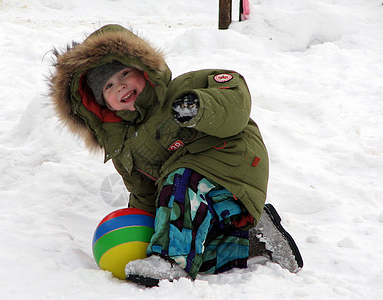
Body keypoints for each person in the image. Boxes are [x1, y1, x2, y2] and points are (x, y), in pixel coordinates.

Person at [49, 24, 303, 287]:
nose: (121, 86)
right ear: (101, 105)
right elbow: (145, 196)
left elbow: (235, 98)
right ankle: (255, 241)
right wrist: (142, 234)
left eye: (125, 73)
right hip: (203, 200)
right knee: (190, 245)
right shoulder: (124, 146)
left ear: (144, 70)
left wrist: (198, 107)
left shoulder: (182, 89)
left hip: (231, 162)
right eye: (109, 87)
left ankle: (171, 261)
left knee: (180, 179)